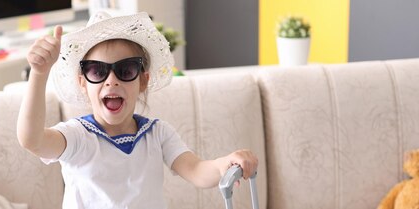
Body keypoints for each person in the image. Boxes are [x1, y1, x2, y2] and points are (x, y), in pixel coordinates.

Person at [17, 12, 258, 209]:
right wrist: (39, 74)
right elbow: (32, 139)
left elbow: (195, 170)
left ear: (142, 81)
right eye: (98, 71)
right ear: (83, 83)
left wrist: (224, 163)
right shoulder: (77, 136)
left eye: (126, 70)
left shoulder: (158, 134)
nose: (111, 81)